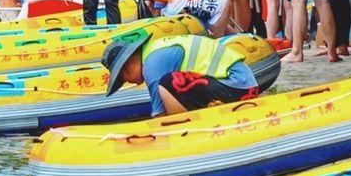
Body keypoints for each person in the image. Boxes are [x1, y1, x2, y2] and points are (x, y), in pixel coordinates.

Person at [108, 28, 265, 118]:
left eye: (124, 78)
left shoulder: (151, 65)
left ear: (127, 66)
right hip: (244, 84)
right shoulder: (156, 48)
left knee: (168, 83)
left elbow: (159, 115)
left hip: (235, 87)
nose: (129, 82)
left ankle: (190, 129)